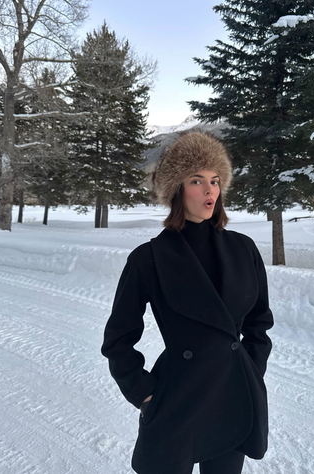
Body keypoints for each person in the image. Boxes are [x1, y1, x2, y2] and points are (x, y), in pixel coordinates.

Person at [101, 131, 274, 474]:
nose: (210, 190)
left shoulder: (244, 249)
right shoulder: (149, 258)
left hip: (233, 394)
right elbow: (118, 339)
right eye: (197, 180)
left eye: (215, 180)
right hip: (178, 396)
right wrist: (144, 393)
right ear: (177, 190)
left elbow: (259, 322)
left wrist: (251, 369)